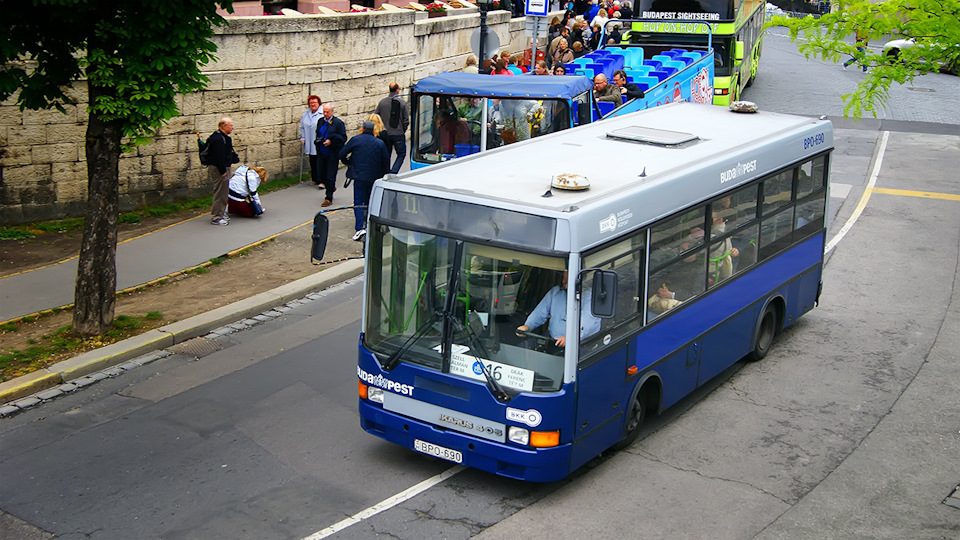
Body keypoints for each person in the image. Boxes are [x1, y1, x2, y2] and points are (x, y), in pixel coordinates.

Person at [516, 270, 600, 351]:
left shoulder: (590, 297)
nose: (564, 281)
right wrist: (527, 325)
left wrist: (570, 337)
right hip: (554, 343)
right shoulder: (556, 292)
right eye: (563, 278)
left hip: (581, 347)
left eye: (567, 278)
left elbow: (586, 323)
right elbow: (539, 313)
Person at [340, 120, 389, 241]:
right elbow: (386, 161)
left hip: (359, 176)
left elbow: (341, 154)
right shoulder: (379, 143)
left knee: (358, 202)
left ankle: (359, 228)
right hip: (374, 177)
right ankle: (369, 226)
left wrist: (348, 162)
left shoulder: (355, 140)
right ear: (373, 130)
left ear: (362, 129)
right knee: (370, 201)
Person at [205, 117, 240, 225]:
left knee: (223, 193)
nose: (232, 128)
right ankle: (216, 217)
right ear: (223, 126)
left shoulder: (223, 138)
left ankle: (221, 213)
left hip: (223, 168)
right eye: (230, 125)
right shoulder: (218, 139)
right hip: (220, 169)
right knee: (220, 193)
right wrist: (222, 171)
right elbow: (218, 156)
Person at [373, 82, 410, 174]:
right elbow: (406, 119)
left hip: (385, 133)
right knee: (401, 154)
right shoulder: (402, 102)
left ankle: (385, 172)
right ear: (397, 90)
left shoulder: (382, 102)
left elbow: (376, 115)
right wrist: (403, 130)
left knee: (386, 154)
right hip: (398, 133)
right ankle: (393, 172)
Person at [314, 103, 347, 207]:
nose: (325, 114)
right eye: (324, 112)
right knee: (321, 175)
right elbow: (318, 133)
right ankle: (330, 187)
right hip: (321, 152)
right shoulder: (320, 121)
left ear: (332, 112)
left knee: (330, 176)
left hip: (332, 153)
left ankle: (328, 197)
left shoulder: (338, 123)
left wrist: (331, 141)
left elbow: (343, 138)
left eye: (327, 112)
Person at [298, 95, 322, 186]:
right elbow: (302, 127)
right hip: (309, 140)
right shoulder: (306, 114)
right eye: (311, 103)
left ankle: (321, 179)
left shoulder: (322, 113)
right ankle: (314, 179)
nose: (313, 104)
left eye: (314, 102)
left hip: (319, 141)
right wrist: (302, 138)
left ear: (318, 103)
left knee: (319, 160)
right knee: (312, 160)